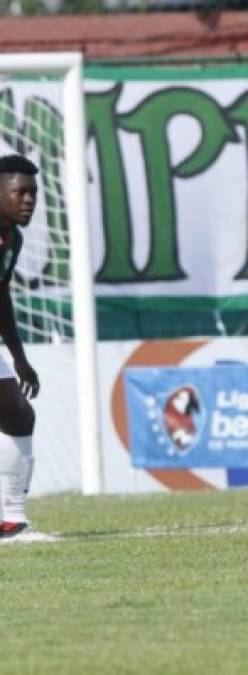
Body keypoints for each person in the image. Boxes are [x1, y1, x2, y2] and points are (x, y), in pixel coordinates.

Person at [0, 154, 50, 543]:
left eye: (33, 193)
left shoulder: (11, 238)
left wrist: (19, 357)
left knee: (18, 415)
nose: (28, 200)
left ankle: (11, 521)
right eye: (20, 192)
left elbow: (1, 296)